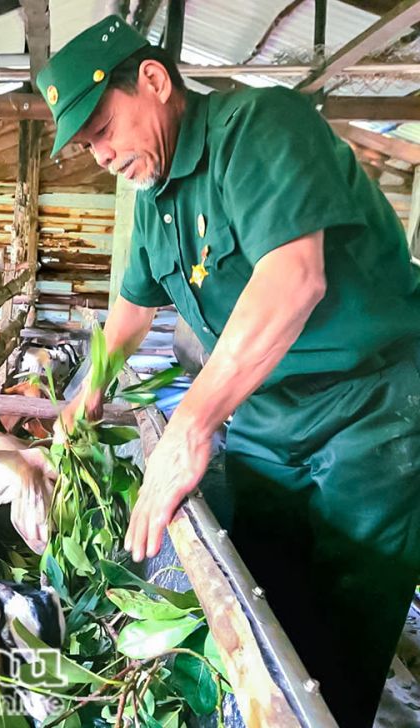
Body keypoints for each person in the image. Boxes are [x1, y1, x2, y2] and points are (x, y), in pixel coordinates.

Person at [39, 15, 420, 727]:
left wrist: (193, 420)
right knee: (261, 591)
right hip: (271, 414)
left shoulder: (259, 126)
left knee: (342, 626)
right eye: (87, 143)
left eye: (103, 127)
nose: (100, 153)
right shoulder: (155, 197)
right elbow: (129, 311)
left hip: (374, 407)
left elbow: (294, 278)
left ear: (152, 81)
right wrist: (86, 396)